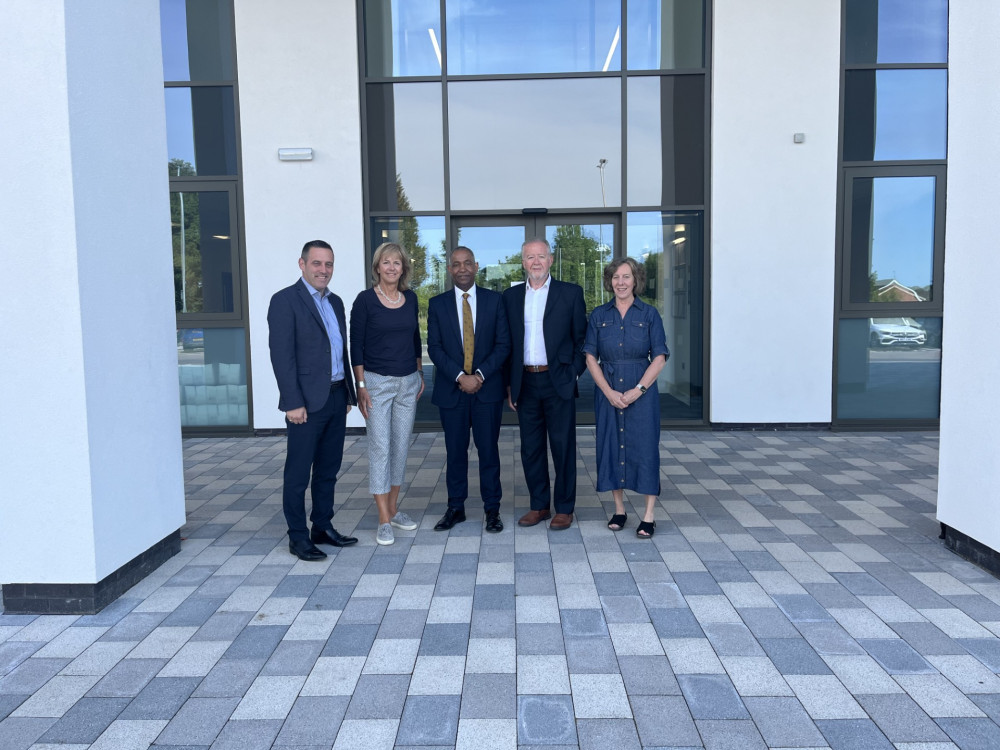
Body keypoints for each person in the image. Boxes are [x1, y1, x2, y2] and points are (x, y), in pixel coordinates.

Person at [267, 240, 359, 561]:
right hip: (304, 403)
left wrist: (347, 392)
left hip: (335, 397)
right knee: (298, 473)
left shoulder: (335, 303)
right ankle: (297, 537)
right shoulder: (284, 301)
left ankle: (322, 526)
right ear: (302, 264)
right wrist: (292, 401)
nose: (323, 270)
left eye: (329, 264)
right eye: (317, 263)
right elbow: (282, 357)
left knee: (328, 469)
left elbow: (340, 351)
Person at [503, 238, 587, 530]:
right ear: (523, 262)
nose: (535, 262)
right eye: (529, 257)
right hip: (525, 381)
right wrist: (510, 385)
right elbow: (507, 345)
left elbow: (582, 340)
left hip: (558, 381)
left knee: (563, 446)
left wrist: (573, 373)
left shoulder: (570, 294)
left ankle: (564, 508)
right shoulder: (510, 297)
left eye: (541, 256)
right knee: (531, 448)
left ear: (551, 260)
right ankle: (539, 505)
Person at [427, 247, 512, 533]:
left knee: (489, 451)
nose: (462, 269)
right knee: (455, 452)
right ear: (449, 269)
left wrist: (479, 375)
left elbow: (504, 345)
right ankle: (456, 508)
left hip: (487, 390)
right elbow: (434, 348)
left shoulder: (494, 301)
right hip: (453, 392)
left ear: (476, 266)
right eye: (456, 264)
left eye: (467, 263)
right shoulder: (437, 304)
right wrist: (459, 377)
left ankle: (492, 509)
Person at [584, 258, 669, 538]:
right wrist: (608, 392)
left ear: (636, 280)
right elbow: (590, 357)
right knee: (611, 446)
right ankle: (619, 509)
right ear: (610, 281)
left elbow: (659, 357)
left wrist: (639, 390)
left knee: (644, 448)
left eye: (626, 277)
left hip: (641, 393)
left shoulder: (649, 314)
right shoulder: (598, 315)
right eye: (616, 277)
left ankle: (648, 515)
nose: (621, 282)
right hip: (608, 392)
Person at [350, 242, 424, 545]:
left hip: (408, 382)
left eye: (397, 262)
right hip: (377, 383)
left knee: (400, 447)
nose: (392, 267)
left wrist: (419, 374)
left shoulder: (410, 298)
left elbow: (416, 339)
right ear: (377, 267)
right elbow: (356, 344)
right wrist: (361, 386)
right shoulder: (365, 300)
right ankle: (382, 519)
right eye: (386, 262)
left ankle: (394, 509)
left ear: (403, 267)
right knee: (381, 448)